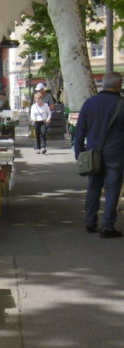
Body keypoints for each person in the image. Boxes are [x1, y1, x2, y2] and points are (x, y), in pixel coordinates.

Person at [75, 72, 124, 238]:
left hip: (93, 154)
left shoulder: (90, 103)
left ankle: (90, 222)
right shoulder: (122, 104)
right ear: (118, 85)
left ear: (103, 84)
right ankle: (108, 226)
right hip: (116, 154)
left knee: (93, 187)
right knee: (112, 190)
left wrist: (79, 154)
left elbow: (79, 131)